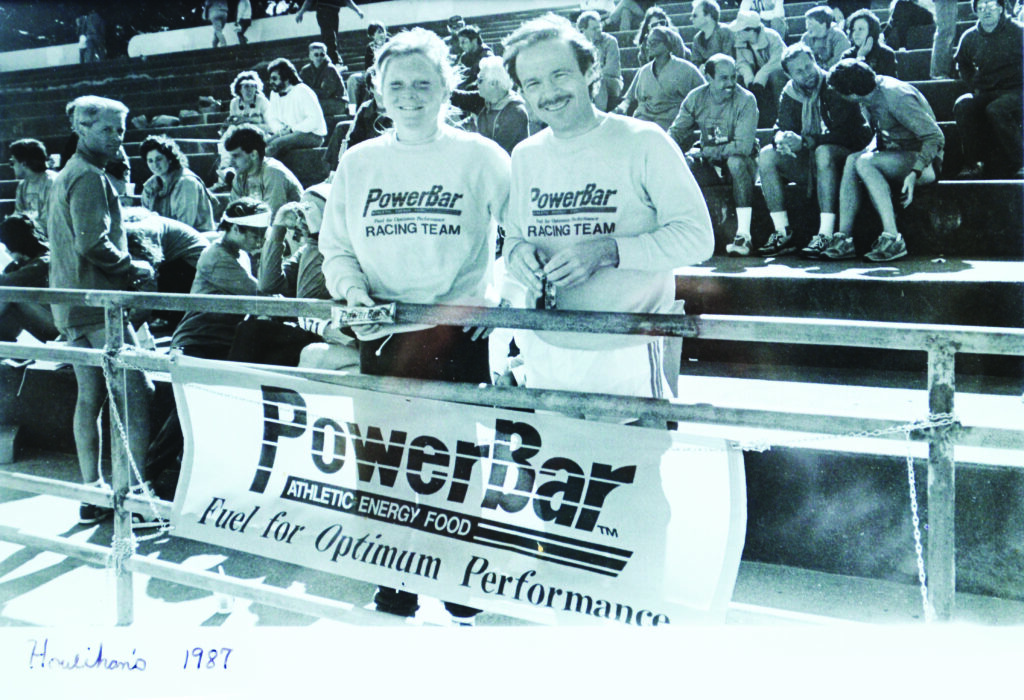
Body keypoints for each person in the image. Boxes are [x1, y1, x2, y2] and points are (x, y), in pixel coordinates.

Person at [319, 27, 509, 623]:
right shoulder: (359, 161)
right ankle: (394, 578)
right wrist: (351, 293)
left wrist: (499, 298)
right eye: (395, 84)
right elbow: (337, 249)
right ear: (377, 90)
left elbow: (523, 239)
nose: (409, 95)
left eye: (422, 83)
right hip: (382, 336)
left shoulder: (480, 156)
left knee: (455, 465)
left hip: (456, 335)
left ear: (448, 87)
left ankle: (458, 580)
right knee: (381, 465)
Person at [501, 14, 713, 406]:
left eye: (560, 74)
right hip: (548, 351)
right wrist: (517, 255)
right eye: (533, 83)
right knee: (557, 464)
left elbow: (698, 238)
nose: (549, 92)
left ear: (589, 70)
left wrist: (609, 251)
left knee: (631, 465)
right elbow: (513, 237)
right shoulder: (525, 156)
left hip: (629, 350)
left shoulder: (644, 141)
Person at [46, 96, 158, 527]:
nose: (118, 137)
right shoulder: (90, 176)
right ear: (82, 128)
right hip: (96, 304)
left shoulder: (68, 174)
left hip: (72, 302)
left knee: (90, 396)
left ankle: (92, 492)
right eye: (108, 129)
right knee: (137, 393)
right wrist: (135, 267)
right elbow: (91, 243)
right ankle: (133, 496)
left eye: (122, 128)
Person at [145, 198, 272, 500]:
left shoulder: (239, 254)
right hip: (197, 343)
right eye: (256, 233)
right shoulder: (216, 257)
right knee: (184, 418)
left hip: (220, 344)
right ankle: (144, 480)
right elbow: (262, 294)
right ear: (236, 229)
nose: (261, 239)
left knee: (198, 418)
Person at [755, 44, 873, 258]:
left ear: (815, 61)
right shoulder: (790, 92)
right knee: (766, 155)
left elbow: (849, 132)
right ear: (789, 74)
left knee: (823, 152)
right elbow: (780, 125)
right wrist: (781, 138)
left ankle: (825, 233)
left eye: (808, 66)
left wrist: (808, 141)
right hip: (810, 159)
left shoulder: (834, 84)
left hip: (844, 157)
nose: (807, 74)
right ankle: (783, 231)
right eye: (798, 71)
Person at [822, 59, 944, 261]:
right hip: (897, 155)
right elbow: (881, 134)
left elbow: (935, 137)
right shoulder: (869, 96)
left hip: (925, 163)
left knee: (865, 162)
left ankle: (893, 238)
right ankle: (844, 238)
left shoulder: (895, 96)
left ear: (852, 93)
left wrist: (915, 172)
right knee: (854, 159)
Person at [668, 54, 759, 256]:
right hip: (711, 161)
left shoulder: (746, 99)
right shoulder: (696, 97)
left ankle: (744, 234)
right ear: (708, 78)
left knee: (735, 162)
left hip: (742, 162)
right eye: (724, 78)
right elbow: (676, 131)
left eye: (734, 77)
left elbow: (743, 147)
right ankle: (687, 232)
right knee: (686, 163)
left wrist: (706, 151)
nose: (731, 83)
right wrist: (667, 150)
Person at [952, 0, 1024, 177]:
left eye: (991, 7)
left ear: (1000, 9)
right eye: (981, 8)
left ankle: (1021, 162)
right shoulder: (969, 36)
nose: (986, 12)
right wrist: (973, 83)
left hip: (1017, 90)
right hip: (987, 91)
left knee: (996, 110)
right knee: (963, 105)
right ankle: (973, 163)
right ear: (976, 11)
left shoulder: (1018, 31)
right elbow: (962, 63)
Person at [617, 26, 705, 130]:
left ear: (667, 45)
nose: (649, 46)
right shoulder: (644, 70)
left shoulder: (686, 69)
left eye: (654, 42)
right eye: (648, 42)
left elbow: (704, 93)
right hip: (645, 116)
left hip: (670, 118)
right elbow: (630, 97)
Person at [139, 135, 216, 232]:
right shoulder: (150, 185)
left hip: (196, 236)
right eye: (150, 161)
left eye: (159, 159)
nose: (155, 165)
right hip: (168, 237)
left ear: (169, 159)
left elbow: (185, 227)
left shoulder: (186, 183)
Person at [224, 124, 303, 219]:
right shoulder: (240, 176)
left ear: (253, 155)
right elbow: (233, 214)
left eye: (236, 156)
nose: (231, 161)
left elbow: (273, 218)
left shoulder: (273, 172)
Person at [0, 215, 58, 343]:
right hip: (49, 319)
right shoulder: (23, 262)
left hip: (58, 326)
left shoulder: (44, 261)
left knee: (11, 295)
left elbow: (7, 283)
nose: (7, 251)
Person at [731, 10, 787, 127]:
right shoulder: (740, 42)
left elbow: (779, 60)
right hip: (755, 75)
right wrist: (749, 76)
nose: (737, 33)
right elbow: (741, 63)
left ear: (751, 31)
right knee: (739, 81)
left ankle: (782, 117)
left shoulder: (772, 37)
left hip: (775, 73)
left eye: (741, 30)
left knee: (776, 77)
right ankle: (744, 121)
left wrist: (762, 75)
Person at [265, 57, 328, 159]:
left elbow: (314, 120)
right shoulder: (274, 94)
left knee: (275, 145)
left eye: (274, 78)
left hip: (312, 134)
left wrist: (292, 129)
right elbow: (272, 118)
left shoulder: (302, 91)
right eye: (270, 78)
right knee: (263, 144)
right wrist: (281, 130)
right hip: (288, 132)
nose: (271, 82)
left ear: (286, 78)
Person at [474, 56, 536, 155]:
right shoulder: (490, 104)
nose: (477, 84)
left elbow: (495, 152)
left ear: (494, 83)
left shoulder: (515, 112)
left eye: (480, 80)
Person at [9, 138, 57, 241]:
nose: (11, 167)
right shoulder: (23, 186)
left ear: (24, 163)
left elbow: (49, 222)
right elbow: (18, 215)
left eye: (12, 162)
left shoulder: (52, 183)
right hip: (33, 238)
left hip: (53, 240)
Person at [577, 11, 623, 111]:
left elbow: (612, 69)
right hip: (587, 81)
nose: (598, 30)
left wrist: (591, 76)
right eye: (594, 29)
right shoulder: (578, 46)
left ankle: (599, 116)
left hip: (611, 82)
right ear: (583, 30)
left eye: (599, 27)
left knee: (599, 80)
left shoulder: (610, 41)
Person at [295, 0, 364, 65]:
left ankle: (330, 61)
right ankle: (336, 61)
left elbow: (347, 1)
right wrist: (301, 12)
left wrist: (358, 10)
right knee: (330, 37)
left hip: (334, 13)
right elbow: (309, 1)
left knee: (333, 39)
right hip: (323, 12)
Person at [840, 9, 898, 78]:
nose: (856, 33)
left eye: (860, 29)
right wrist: (860, 57)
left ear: (872, 31)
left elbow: (890, 83)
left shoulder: (886, 53)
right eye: (853, 29)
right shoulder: (847, 56)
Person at [299, 41, 348, 117]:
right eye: (316, 55)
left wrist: (309, 91)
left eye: (322, 54)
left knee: (310, 107)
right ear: (310, 56)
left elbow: (326, 93)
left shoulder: (330, 69)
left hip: (336, 102)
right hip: (317, 101)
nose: (319, 57)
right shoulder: (305, 71)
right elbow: (301, 90)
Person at [346, 23, 388, 108]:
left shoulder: (389, 44)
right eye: (379, 32)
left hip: (385, 73)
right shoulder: (370, 47)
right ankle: (352, 109)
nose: (382, 34)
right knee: (352, 79)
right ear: (373, 35)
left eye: (383, 31)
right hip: (373, 72)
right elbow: (368, 65)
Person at [690, 0, 737, 67]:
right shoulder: (697, 38)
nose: (691, 19)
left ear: (708, 16)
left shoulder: (725, 32)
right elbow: (695, 63)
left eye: (695, 15)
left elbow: (729, 60)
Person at [456, 25, 494, 90]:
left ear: (474, 40)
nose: (460, 45)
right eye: (460, 43)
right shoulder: (464, 56)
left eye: (463, 42)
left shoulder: (487, 56)